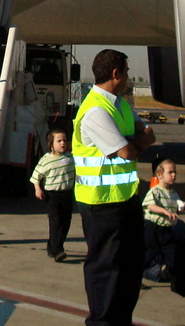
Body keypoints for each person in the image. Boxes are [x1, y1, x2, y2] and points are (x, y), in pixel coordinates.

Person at [72, 49, 155, 325]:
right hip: (101, 205)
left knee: (130, 269)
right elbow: (128, 151)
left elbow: (145, 135)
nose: (129, 77)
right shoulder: (95, 110)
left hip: (126, 200)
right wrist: (138, 143)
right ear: (116, 74)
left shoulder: (121, 105)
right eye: (127, 72)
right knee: (106, 271)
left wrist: (136, 142)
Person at [142, 157, 185, 281]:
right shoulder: (155, 191)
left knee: (170, 251)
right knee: (150, 252)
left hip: (167, 228)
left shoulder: (173, 193)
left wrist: (180, 209)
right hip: (153, 227)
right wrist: (165, 211)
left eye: (175, 172)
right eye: (170, 172)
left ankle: (167, 271)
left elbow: (174, 211)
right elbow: (150, 206)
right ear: (159, 175)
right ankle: (145, 271)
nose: (174, 175)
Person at [29, 129, 74, 262]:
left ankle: (52, 247)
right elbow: (36, 176)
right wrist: (37, 189)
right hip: (53, 195)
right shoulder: (46, 160)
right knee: (56, 223)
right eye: (59, 141)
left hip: (67, 193)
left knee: (66, 223)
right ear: (51, 145)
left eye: (64, 140)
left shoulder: (70, 158)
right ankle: (57, 251)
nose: (63, 143)